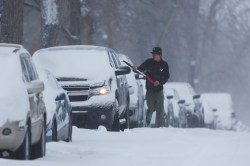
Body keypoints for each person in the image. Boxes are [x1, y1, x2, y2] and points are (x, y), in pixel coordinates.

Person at [133, 47, 170, 127]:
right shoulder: (149, 62)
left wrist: (159, 82)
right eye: (153, 54)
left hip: (159, 90)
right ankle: (148, 121)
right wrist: (135, 69)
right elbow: (140, 69)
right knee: (151, 108)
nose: (153, 56)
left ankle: (160, 126)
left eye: (155, 54)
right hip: (150, 90)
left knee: (160, 109)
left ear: (159, 55)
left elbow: (166, 77)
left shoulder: (164, 64)